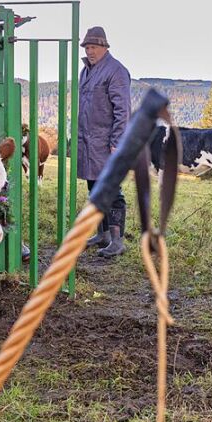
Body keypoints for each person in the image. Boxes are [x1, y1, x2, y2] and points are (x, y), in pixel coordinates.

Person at [78, 26, 130, 257]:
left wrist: (117, 141)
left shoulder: (116, 71)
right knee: (94, 188)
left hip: (107, 142)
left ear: (104, 47)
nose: (90, 51)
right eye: (87, 47)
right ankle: (103, 234)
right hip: (88, 141)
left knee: (111, 190)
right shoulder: (86, 71)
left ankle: (117, 241)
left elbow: (123, 110)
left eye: (94, 47)